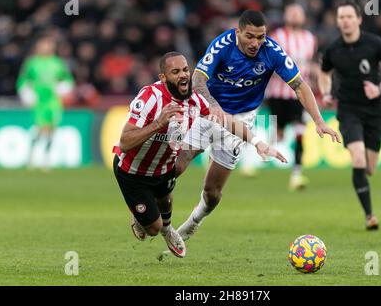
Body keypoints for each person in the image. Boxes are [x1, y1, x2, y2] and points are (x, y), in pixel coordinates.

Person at [175, 10, 340, 241]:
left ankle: (194, 222)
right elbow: (198, 79)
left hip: (241, 118)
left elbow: (300, 86)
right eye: (250, 36)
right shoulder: (222, 45)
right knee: (177, 166)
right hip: (207, 108)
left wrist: (319, 121)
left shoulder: (272, 52)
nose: (256, 43)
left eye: (261, 37)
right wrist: (212, 105)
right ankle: (152, 213)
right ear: (238, 32)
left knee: (212, 193)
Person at [112, 52, 286, 258]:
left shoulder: (195, 100)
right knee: (152, 228)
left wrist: (258, 143)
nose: (183, 75)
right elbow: (124, 143)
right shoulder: (150, 98)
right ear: (163, 78)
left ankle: (169, 232)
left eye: (185, 70)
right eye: (175, 72)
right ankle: (143, 219)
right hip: (133, 171)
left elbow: (226, 120)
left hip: (164, 168)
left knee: (165, 201)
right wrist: (158, 123)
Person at [318, 0, 381, 230]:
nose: (345, 21)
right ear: (337, 22)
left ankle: (365, 186)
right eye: (341, 17)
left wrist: (380, 88)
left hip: (375, 111)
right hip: (348, 110)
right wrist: (326, 93)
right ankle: (369, 216)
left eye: (349, 17)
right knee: (357, 158)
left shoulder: (375, 44)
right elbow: (324, 73)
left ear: (358, 19)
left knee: (369, 168)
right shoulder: (333, 49)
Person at [265, 3, 318, 190]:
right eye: (292, 12)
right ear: (286, 16)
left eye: (298, 13)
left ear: (303, 17)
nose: (295, 16)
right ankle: (251, 160)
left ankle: (297, 173)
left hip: (299, 95)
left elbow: (310, 65)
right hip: (277, 94)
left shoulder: (310, 38)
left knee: (299, 131)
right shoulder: (277, 36)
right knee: (277, 133)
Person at [16, 36, 74, 170]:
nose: (46, 47)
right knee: (40, 128)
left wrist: (62, 88)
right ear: (37, 47)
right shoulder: (32, 63)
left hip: (54, 101)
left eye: (48, 45)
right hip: (39, 101)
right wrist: (27, 94)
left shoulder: (57, 63)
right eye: (43, 45)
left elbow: (68, 80)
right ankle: (31, 156)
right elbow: (22, 81)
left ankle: (46, 159)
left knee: (52, 129)